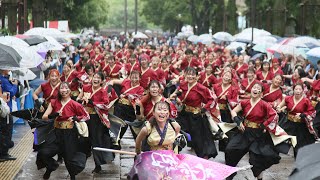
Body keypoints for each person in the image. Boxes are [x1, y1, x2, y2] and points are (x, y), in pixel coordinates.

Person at [226, 83, 281, 180]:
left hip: (257, 135)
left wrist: (264, 125)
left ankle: (260, 178)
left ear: (261, 93)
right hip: (244, 132)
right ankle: (230, 172)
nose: (255, 89)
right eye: (254, 88)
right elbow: (233, 111)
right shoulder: (244, 102)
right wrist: (238, 121)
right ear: (251, 90)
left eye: (258, 89)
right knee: (230, 149)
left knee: (256, 160)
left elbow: (274, 116)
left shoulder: (264, 104)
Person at [38, 82, 90, 180]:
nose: (64, 90)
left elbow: (87, 116)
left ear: (70, 90)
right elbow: (44, 117)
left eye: (66, 88)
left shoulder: (75, 104)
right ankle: (51, 167)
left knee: (69, 159)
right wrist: (53, 115)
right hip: (56, 133)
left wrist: (76, 118)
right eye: (62, 88)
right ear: (59, 90)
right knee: (44, 152)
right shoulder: (53, 102)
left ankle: (72, 177)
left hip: (69, 134)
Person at [171, 67, 217, 159]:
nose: (190, 76)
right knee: (176, 131)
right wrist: (176, 98)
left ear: (197, 77)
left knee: (198, 139)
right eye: (188, 74)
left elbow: (212, 99)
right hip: (184, 114)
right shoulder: (183, 84)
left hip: (196, 116)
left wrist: (204, 108)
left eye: (193, 74)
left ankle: (203, 158)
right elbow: (177, 94)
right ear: (185, 75)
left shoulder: (201, 88)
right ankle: (173, 153)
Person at [77, 72, 114, 173]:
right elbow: (78, 99)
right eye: (94, 77)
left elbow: (106, 105)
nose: (96, 79)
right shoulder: (85, 87)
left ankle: (98, 164)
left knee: (96, 140)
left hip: (96, 119)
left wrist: (93, 103)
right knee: (83, 138)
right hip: (85, 117)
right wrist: (82, 101)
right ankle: (80, 161)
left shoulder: (103, 91)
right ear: (91, 78)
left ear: (102, 81)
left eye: (98, 78)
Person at [276, 83, 318, 157]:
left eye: (299, 89)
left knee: (298, 147)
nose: (298, 91)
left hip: (300, 126)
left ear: (302, 91)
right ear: (293, 90)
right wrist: (279, 108)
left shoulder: (306, 101)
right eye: (296, 89)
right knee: (280, 140)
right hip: (288, 123)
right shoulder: (288, 98)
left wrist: (303, 115)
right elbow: (280, 106)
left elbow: (312, 112)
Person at [0, 69, 19, 161]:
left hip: (3, 110)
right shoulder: (2, 80)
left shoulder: (4, 79)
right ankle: (4, 153)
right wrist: (15, 85)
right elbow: (11, 92)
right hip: (5, 110)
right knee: (7, 131)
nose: (10, 69)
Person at [0, 90, 13, 162]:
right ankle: (3, 153)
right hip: (4, 118)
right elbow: (4, 112)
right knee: (5, 134)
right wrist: (4, 100)